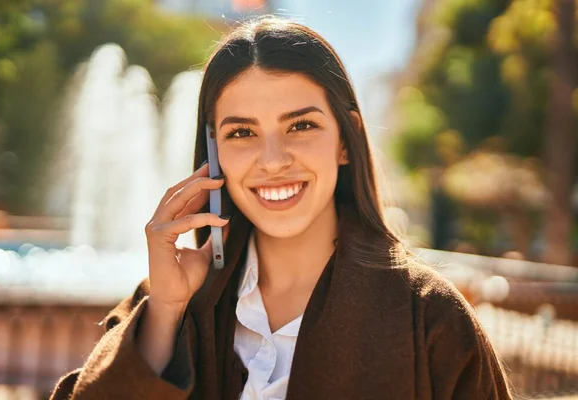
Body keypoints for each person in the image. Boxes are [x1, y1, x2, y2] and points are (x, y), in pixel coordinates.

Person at [50, 16, 513, 400]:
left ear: (345, 141)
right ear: (213, 155)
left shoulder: (430, 317)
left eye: (301, 126)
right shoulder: (169, 302)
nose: (272, 161)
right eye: (242, 133)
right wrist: (166, 313)